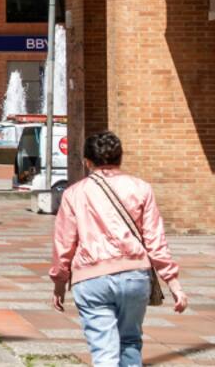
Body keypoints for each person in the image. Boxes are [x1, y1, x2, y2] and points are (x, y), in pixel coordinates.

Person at [50, 131, 188, 365]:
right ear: (120, 158)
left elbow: (64, 242)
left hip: (91, 277)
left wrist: (60, 283)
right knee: (130, 342)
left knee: (104, 349)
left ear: (87, 162)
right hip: (135, 276)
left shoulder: (74, 193)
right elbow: (155, 239)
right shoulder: (141, 188)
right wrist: (173, 283)